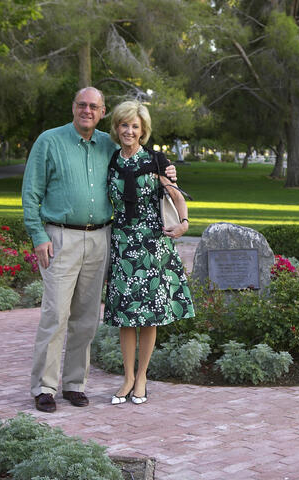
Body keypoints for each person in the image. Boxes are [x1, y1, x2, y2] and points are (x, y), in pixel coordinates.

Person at [22, 88, 177, 413]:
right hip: (60, 237)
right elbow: (31, 193)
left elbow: (141, 157)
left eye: (94, 106)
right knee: (55, 314)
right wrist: (38, 235)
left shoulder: (109, 144)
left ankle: (74, 384)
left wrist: (168, 171)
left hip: (100, 238)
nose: (87, 110)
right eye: (82, 104)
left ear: (102, 111)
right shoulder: (49, 142)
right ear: (74, 107)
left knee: (86, 317)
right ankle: (45, 388)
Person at [104, 100, 194, 405]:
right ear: (116, 128)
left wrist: (183, 223)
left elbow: (175, 195)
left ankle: (142, 377)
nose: (129, 131)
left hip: (152, 244)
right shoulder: (111, 160)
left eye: (135, 126)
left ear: (143, 131)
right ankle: (127, 377)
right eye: (124, 125)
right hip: (122, 243)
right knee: (125, 315)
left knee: (148, 316)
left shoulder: (157, 161)